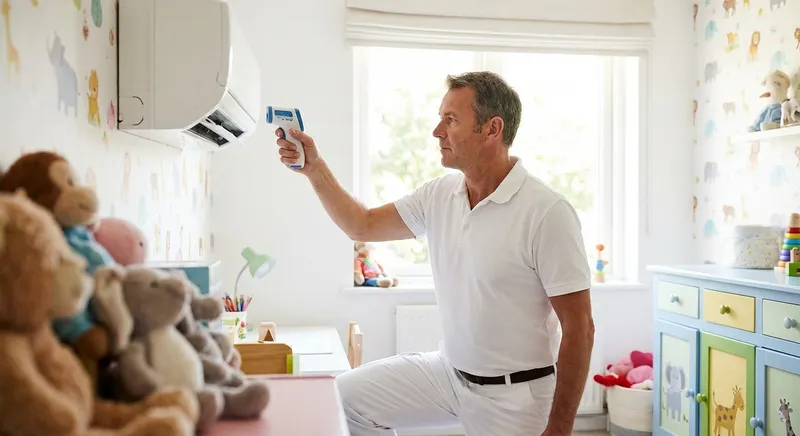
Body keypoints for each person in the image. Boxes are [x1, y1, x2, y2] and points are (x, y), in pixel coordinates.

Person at [274, 71, 595, 436]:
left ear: (492, 129)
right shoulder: (439, 195)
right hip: (449, 375)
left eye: (451, 120)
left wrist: (560, 430)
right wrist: (315, 169)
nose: (437, 131)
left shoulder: (547, 212)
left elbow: (580, 329)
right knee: (342, 400)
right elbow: (361, 225)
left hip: (517, 398)